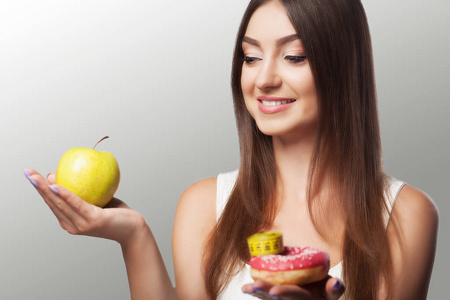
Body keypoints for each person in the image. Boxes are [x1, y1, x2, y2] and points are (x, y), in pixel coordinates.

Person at [24, 0, 439, 299]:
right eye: (250, 56)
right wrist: (133, 237)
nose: (264, 79)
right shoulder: (204, 205)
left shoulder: (406, 215)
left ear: (343, 68)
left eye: (294, 56)